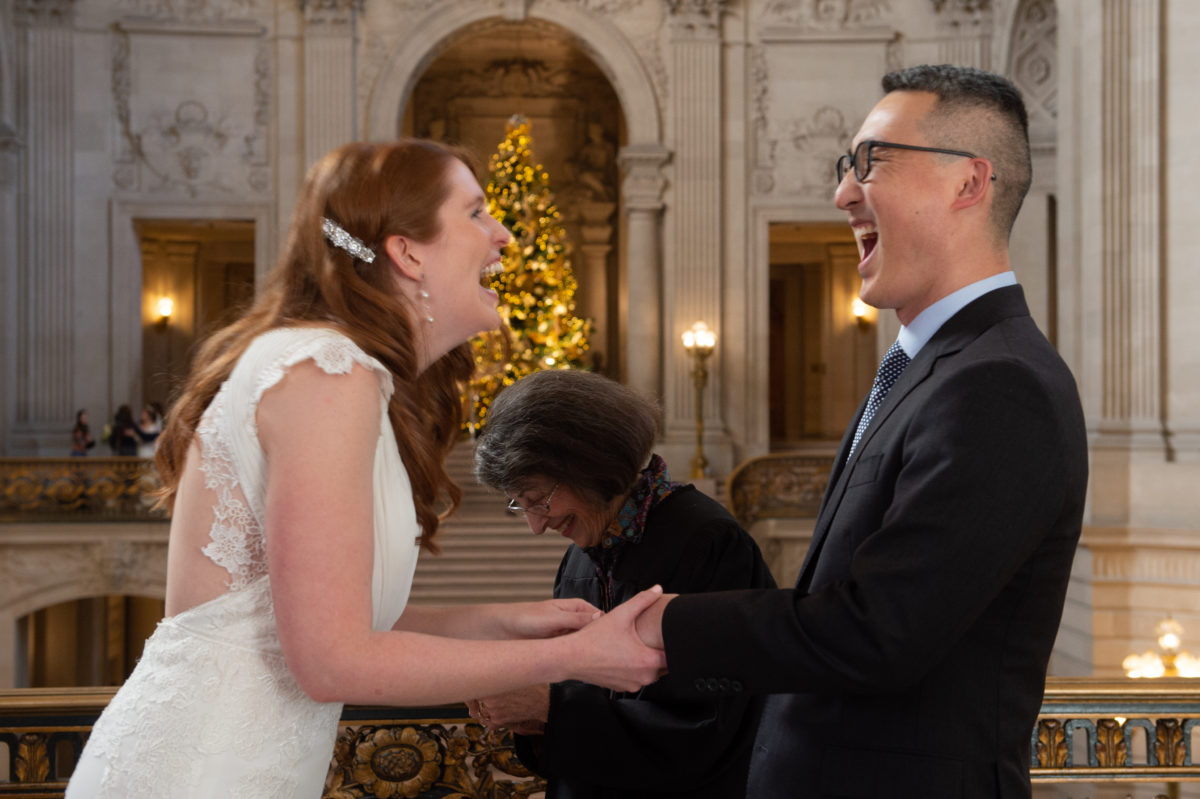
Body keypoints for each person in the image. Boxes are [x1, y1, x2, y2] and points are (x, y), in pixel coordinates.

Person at [66, 139, 665, 798]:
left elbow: (334, 625)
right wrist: (573, 657)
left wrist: (510, 618)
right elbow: (331, 660)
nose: (502, 236)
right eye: (475, 213)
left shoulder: (335, 368)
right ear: (407, 252)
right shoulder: (328, 371)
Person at [634, 65, 1089, 798]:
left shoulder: (1002, 384)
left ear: (968, 183)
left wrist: (661, 627)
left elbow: (878, 633)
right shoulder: (924, 365)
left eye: (871, 162)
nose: (842, 192)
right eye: (847, 166)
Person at [469, 369, 776, 799]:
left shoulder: (708, 544)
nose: (537, 526)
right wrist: (532, 713)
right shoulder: (578, 559)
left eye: (539, 499)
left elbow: (710, 728)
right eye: (521, 506)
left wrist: (549, 706)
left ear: (590, 463)